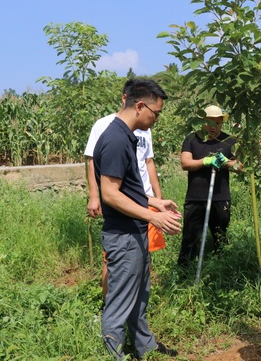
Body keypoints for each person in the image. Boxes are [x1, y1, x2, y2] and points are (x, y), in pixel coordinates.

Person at [93, 79, 181, 360]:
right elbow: (109, 194)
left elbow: (127, 190)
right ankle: (113, 354)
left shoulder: (127, 135)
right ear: (139, 105)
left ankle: (146, 347)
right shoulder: (116, 139)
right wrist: (153, 218)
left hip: (134, 232)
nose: (156, 119)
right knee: (120, 303)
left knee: (139, 298)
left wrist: (155, 202)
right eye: (156, 113)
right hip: (123, 236)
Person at [85, 103, 166, 299]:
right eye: (155, 112)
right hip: (122, 200)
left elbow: (149, 162)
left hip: (145, 198)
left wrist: (157, 197)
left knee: (144, 253)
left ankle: (135, 305)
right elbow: (91, 161)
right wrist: (94, 195)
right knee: (114, 260)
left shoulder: (145, 127)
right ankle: (109, 303)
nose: (155, 118)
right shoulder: (106, 127)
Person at [177, 105, 241, 268]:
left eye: (218, 123)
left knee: (220, 235)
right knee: (190, 237)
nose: (213, 127)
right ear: (203, 121)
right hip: (196, 197)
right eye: (210, 123)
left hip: (220, 197)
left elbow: (240, 167)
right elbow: (185, 163)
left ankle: (220, 270)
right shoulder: (192, 139)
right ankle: (184, 272)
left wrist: (227, 163)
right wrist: (205, 161)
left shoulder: (229, 141)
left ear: (222, 123)